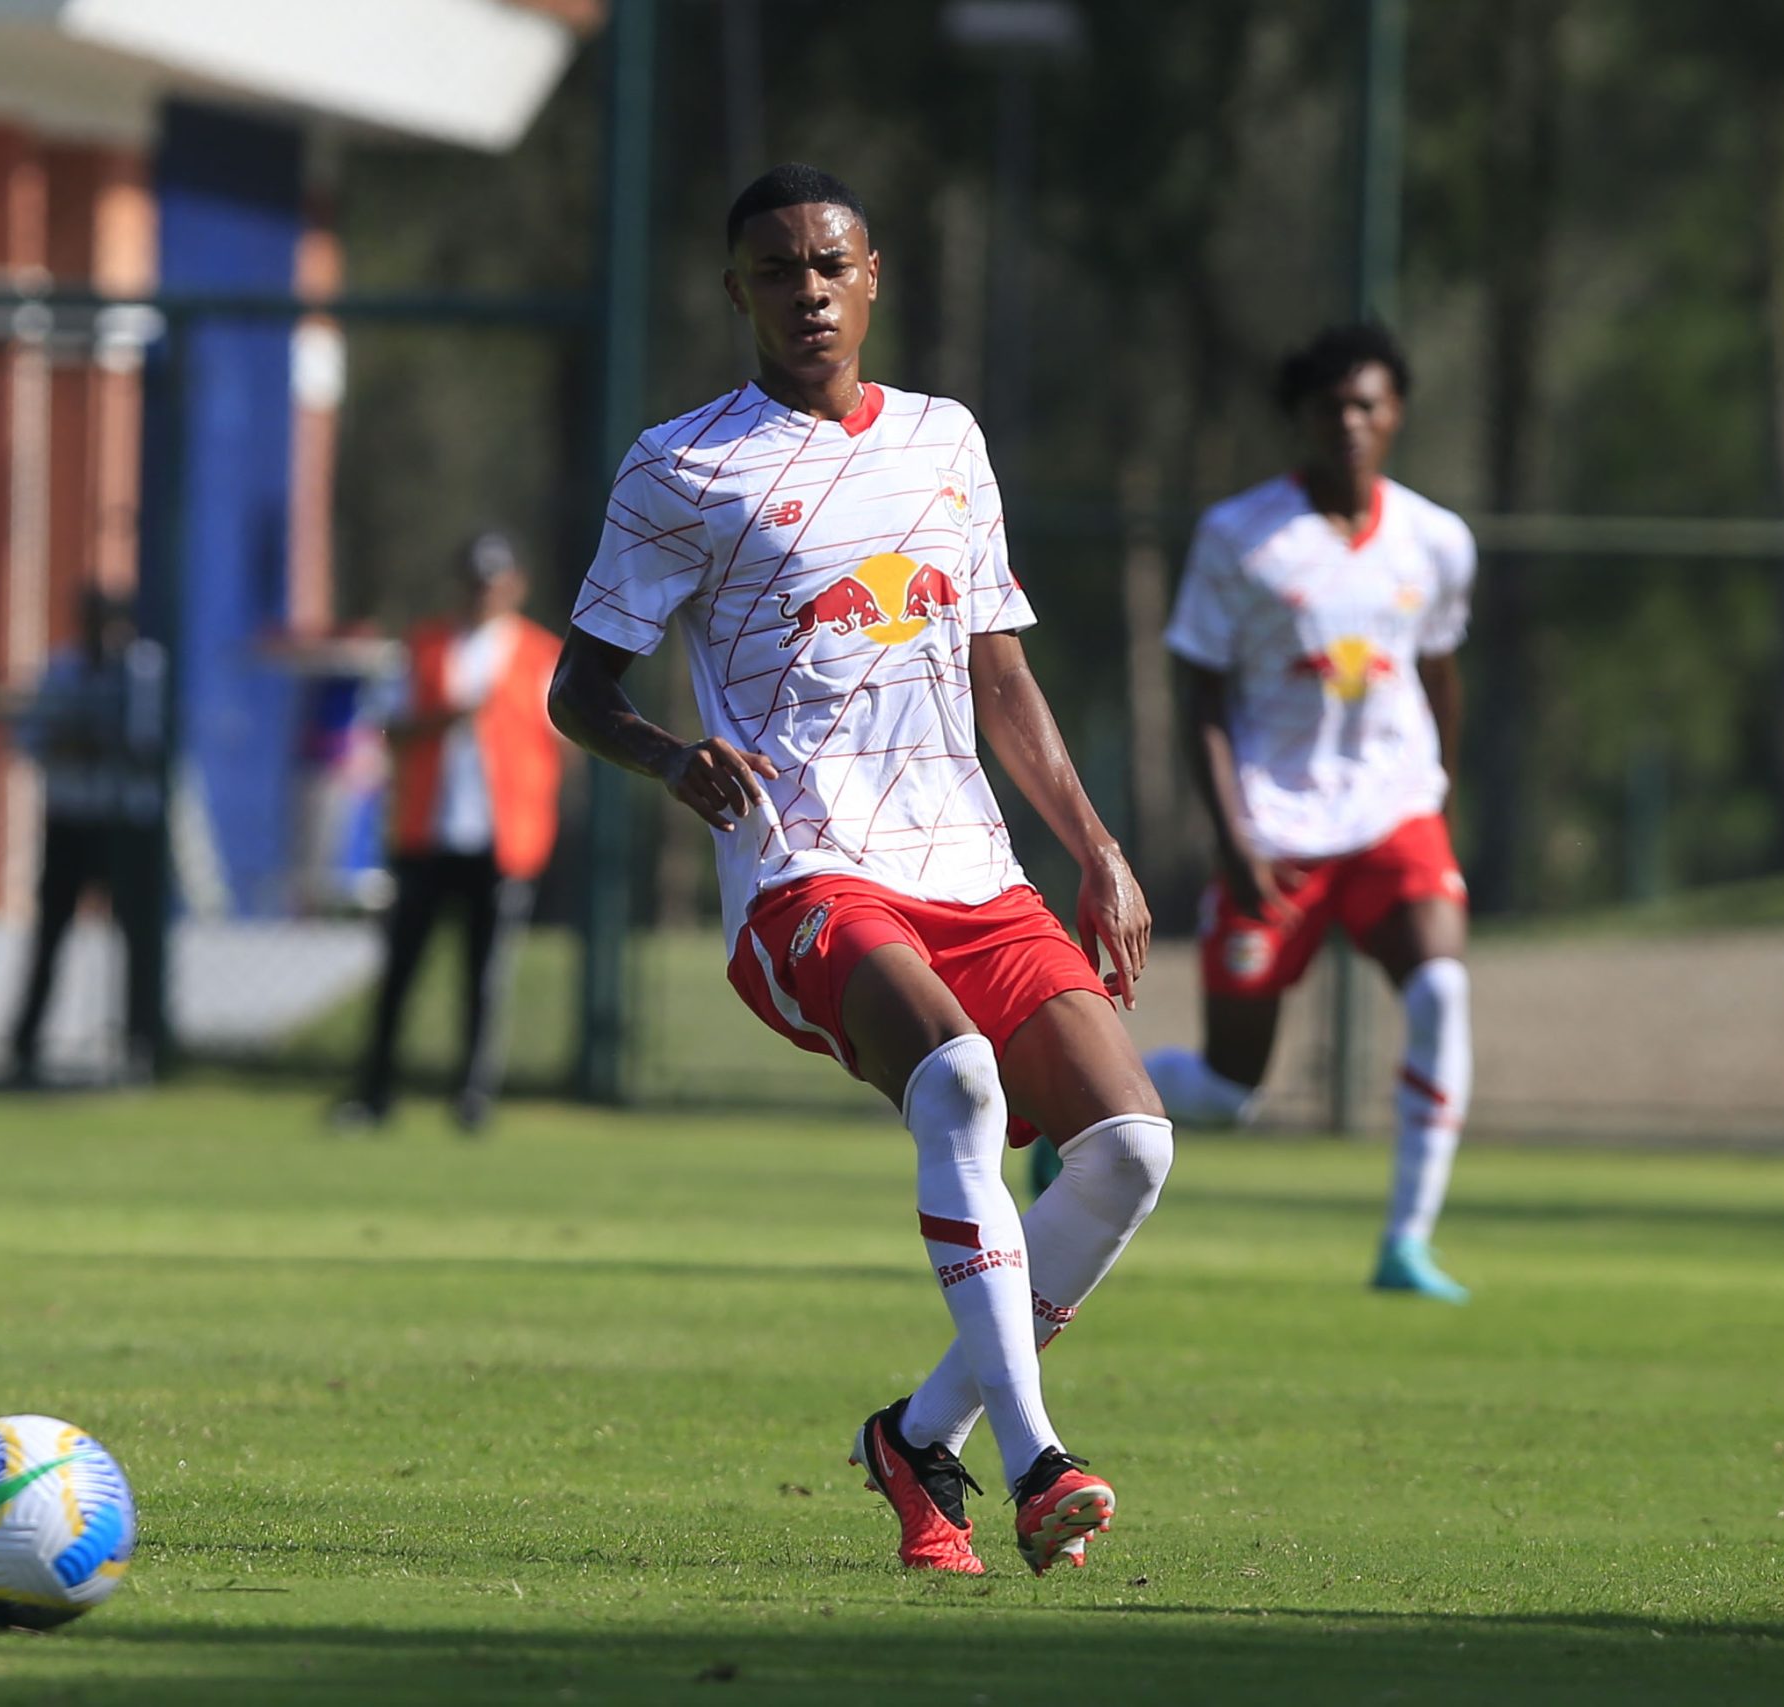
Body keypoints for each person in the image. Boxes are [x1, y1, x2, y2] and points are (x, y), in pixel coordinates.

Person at [549, 163, 1173, 1578]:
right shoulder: (681, 465)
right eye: (777, 271)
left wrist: (1096, 846)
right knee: (959, 1084)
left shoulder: (948, 442)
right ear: (736, 294)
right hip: (807, 869)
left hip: (973, 864)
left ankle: (916, 1433)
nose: (807, 291)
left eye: (830, 264)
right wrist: (667, 756)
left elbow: (997, 669)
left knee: (1132, 1149)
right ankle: (1035, 1460)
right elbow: (577, 689)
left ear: (875, 274)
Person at [1151, 321, 1479, 1302]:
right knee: (1226, 1092)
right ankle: (1081, 1110)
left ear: (1396, 416)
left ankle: (1406, 1245)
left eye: (1367, 404)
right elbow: (1200, 696)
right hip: (1275, 829)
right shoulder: (1238, 538)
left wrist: (1439, 792)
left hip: (1393, 815)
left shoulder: (1435, 540)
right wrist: (1231, 835)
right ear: (1298, 418)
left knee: (1441, 994)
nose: (1350, 421)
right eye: (1330, 406)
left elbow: (1439, 671)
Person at [342, 532, 563, 1133]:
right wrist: (446, 718)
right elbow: (390, 728)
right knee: (400, 972)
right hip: (427, 833)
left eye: (493, 583)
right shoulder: (426, 645)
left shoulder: (541, 653)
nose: (481, 594)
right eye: (472, 582)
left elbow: (569, 733)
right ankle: (374, 1093)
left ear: (515, 585)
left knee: (484, 977)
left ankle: (472, 1098)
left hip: (504, 837)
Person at [6, 585, 168, 1084]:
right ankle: (25, 1044)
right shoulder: (61, 669)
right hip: (71, 817)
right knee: (51, 934)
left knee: (136, 937)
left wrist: (107, 746)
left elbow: (155, 742)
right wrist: (73, 744)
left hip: (128, 823)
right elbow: (29, 737)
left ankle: (142, 1041)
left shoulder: (146, 670)